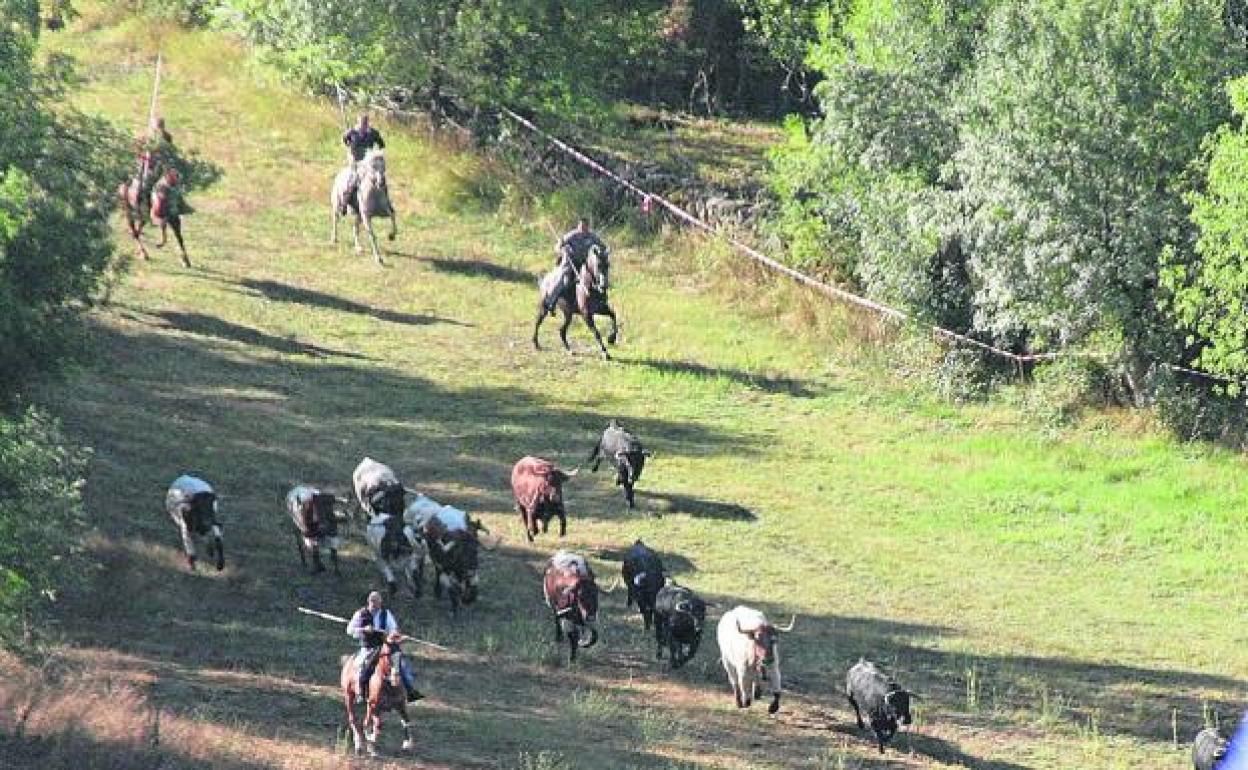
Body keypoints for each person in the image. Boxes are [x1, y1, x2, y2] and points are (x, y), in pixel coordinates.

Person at [346, 591, 422, 703]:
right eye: (374, 603)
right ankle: (361, 693)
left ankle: (410, 691)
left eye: (378, 603)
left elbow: (393, 628)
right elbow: (349, 630)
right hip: (369, 647)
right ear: (369, 602)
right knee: (364, 666)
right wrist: (363, 630)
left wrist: (396, 634)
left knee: (400, 664)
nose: (376, 606)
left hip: (384, 646)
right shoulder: (360, 614)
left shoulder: (386, 614)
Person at [543, 218, 609, 315]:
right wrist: (562, 250)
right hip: (571, 263)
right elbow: (557, 246)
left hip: (584, 264)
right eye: (581, 227)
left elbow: (603, 246)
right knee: (564, 281)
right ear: (578, 226)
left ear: (587, 227)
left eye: (585, 227)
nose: (583, 229)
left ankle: (599, 302)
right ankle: (551, 303)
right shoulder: (572, 235)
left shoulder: (592, 236)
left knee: (597, 278)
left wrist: (603, 252)